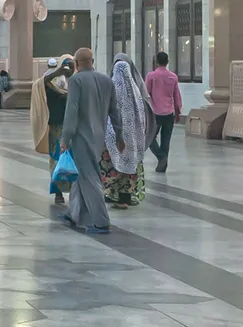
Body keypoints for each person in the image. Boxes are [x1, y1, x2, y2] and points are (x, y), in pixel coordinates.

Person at [58, 46, 123, 233]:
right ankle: (73, 213)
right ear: (92, 62)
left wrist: (65, 137)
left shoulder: (76, 80)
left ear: (76, 64)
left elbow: (72, 111)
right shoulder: (106, 80)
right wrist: (119, 135)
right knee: (83, 173)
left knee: (89, 177)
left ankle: (101, 222)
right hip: (99, 136)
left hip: (81, 136)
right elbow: (115, 111)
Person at [102, 54, 149, 209]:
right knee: (129, 166)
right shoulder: (136, 92)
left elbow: (109, 113)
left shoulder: (111, 89)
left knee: (112, 166)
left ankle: (113, 195)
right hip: (133, 139)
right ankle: (126, 196)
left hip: (115, 136)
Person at [33, 56, 75, 203]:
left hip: (74, 127)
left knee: (75, 159)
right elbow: (39, 84)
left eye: (72, 65)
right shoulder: (52, 84)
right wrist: (57, 73)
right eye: (66, 65)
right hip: (57, 126)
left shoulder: (76, 82)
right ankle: (58, 192)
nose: (69, 68)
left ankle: (75, 192)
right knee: (57, 158)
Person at [144, 50, 182, 174]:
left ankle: (161, 157)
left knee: (149, 137)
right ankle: (163, 163)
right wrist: (177, 111)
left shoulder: (151, 76)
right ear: (167, 62)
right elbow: (176, 96)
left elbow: (146, 94)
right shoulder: (173, 77)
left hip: (155, 113)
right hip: (169, 113)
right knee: (166, 139)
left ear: (156, 62)